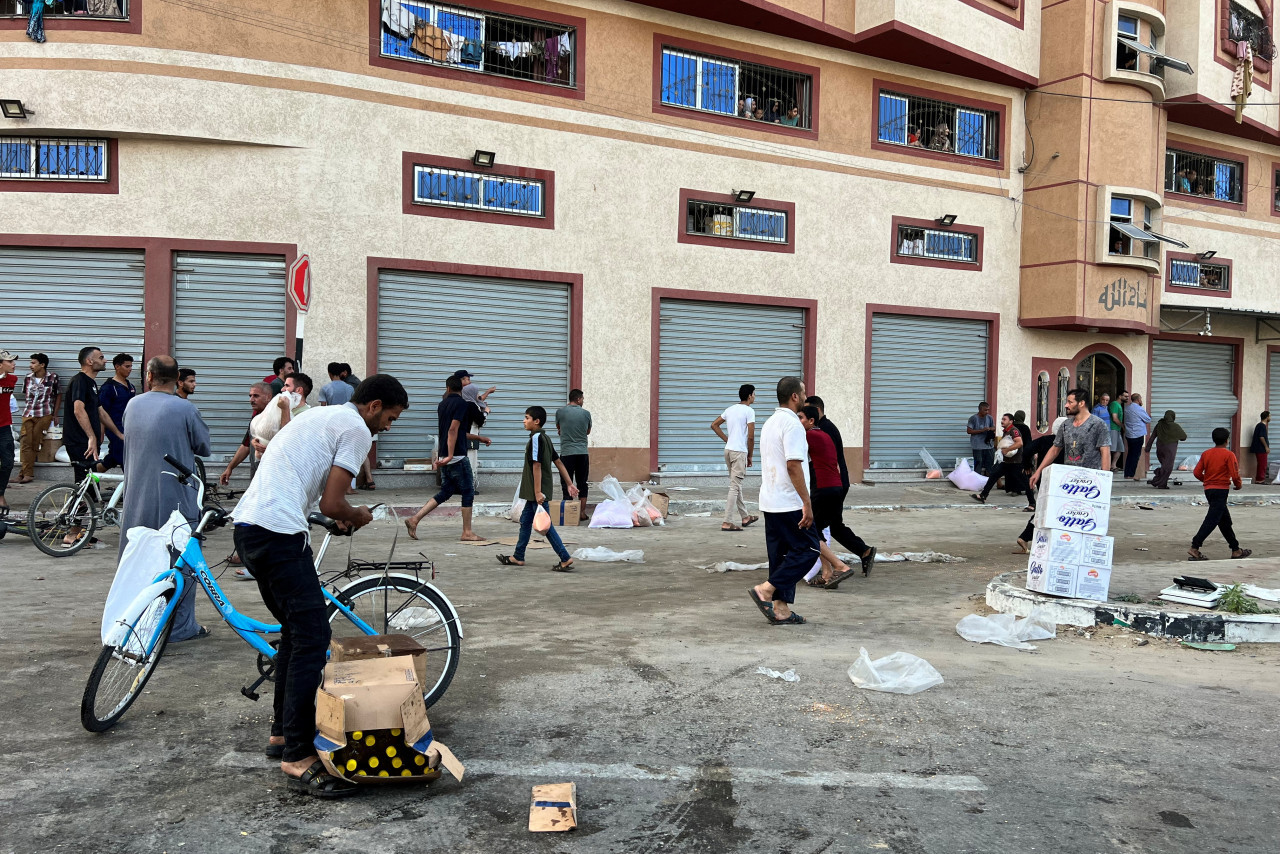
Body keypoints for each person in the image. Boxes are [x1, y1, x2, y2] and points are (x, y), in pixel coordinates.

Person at [234, 374, 407, 799]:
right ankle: (297, 755)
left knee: (296, 634)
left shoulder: (324, 417)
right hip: (277, 534)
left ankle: (282, 734)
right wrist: (359, 514)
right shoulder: (354, 429)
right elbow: (333, 502)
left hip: (251, 529)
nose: (389, 426)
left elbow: (312, 493)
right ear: (373, 406)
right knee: (313, 636)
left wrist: (335, 514)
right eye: (390, 417)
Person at [117, 355, 212, 642]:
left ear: (148, 376)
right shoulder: (185, 408)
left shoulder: (133, 404)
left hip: (137, 494)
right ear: (177, 379)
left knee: (136, 557)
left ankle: (134, 621)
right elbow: (203, 447)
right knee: (180, 558)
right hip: (176, 496)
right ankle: (180, 628)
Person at [747, 376, 820, 626]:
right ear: (795, 397)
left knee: (780, 557)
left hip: (770, 500)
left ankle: (781, 609)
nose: (807, 396)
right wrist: (807, 502)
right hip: (789, 502)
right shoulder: (793, 425)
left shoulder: (770, 423)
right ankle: (766, 591)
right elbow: (793, 466)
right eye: (804, 391)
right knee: (809, 549)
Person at [1018, 389, 1111, 552]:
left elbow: (1105, 451)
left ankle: (1084, 550)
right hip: (1069, 481)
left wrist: (1105, 479)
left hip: (1090, 483)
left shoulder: (1098, 425)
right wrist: (1038, 470)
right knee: (1064, 515)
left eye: (1070, 402)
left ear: (1081, 404)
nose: (1066, 405)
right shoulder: (1066, 425)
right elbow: (1055, 449)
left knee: (1086, 517)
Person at [404, 375, 490, 541]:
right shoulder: (461, 404)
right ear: (461, 389)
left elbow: (456, 432)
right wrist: (451, 455)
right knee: (468, 492)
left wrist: (479, 438)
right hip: (456, 456)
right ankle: (467, 532)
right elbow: (452, 430)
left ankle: (414, 519)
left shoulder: (442, 405)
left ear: (448, 388)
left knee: (446, 491)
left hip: (445, 453)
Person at [497, 406, 580, 571]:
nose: (524, 421)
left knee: (545, 526)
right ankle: (518, 556)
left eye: (527, 418)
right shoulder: (546, 438)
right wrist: (570, 483)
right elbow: (558, 462)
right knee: (526, 522)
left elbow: (537, 465)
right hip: (533, 493)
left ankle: (565, 558)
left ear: (537, 421)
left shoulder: (536, 439)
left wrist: (537, 492)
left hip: (537, 492)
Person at [799, 404, 875, 583]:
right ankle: (827, 573)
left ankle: (839, 566)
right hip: (836, 487)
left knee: (809, 529)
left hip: (824, 489)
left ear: (811, 421)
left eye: (800, 418)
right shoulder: (825, 434)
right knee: (824, 528)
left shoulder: (808, 435)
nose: (797, 422)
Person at [1188, 428, 1251, 561]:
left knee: (1224, 521)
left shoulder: (1206, 454)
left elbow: (1196, 472)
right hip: (1221, 490)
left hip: (1209, 490)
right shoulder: (1229, 455)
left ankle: (1236, 549)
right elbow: (1234, 473)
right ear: (1227, 440)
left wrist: (1207, 480)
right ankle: (1195, 547)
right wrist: (1238, 485)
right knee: (1212, 520)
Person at [710, 384, 758, 532]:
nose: (755, 397)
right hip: (739, 452)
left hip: (729, 451)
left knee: (736, 484)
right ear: (749, 396)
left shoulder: (730, 409)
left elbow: (714, 425)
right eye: (754, 394)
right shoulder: (749, 411)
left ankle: (745, 517)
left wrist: (727, 440)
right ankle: (727, 521)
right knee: (734, 486)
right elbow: (751, 437)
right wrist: (750, 455)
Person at [18, 353, 60, 485]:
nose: (31, 366)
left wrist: (55, 414)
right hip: (28, 413)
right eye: (31, 363)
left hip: (45, 414)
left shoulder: (52, 377)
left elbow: (58, 395)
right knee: (25, 442)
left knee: (35, 442)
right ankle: (25, 474)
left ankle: (25, 474)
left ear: (42, 365)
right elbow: (26, 395)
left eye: (33, 363)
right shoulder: (28, 378)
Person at [219, 382, 273, 486]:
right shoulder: (256, 417)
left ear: (268, 397)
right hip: (257, 475)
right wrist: (230, 468)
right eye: (250, 396)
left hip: (271, 477)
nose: (251, 400)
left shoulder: (276, 418)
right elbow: (246, 446)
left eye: (256, 396)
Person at [555, 389, 592, 519]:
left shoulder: (560, 412)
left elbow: (559, 428)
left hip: (566, 453)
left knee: (566, 482)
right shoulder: (586, 414)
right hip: (582, 452)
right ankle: (581, 513)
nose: (583, 401)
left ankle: (568, 513)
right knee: (582, 482)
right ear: (578, 399)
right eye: (582, 399)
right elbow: (588, 431)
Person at [96, 353, 135, 473]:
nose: (130, 369)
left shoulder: (130, 386)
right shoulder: (109, 388)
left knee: (114, 457)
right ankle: (130, 487)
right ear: (117, 367)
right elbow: (101, 412)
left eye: (131, 366)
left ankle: (91, 473)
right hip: (115, 428)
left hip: (129, 427)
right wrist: (101, 433)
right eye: (127, 366)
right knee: (125, 458)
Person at [972, 413, 1024, 504]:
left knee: (1023, 481)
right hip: (1006, 461)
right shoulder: (1006, 431)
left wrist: (1007, 450)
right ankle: (983, 495)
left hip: (1015, 462)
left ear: (1011, 421)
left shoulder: (1013, 430)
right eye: (1002, 419)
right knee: (994, 475)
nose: (1002, 421)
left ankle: (1032, 501)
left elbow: (1019, 443)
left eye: (1004, 419)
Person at [454, 370, 495, 484]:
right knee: (470, 458)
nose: (469, 381)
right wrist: (486, 412)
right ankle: (468, 484)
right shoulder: (469, 404)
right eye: (467, 379)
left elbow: (478, 399)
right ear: (461, 380)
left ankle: (461, 483)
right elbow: (480, 420)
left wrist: (487, 393)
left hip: (459, 434)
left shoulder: (458, 399)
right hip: (470, 433)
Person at [1146, 410, 1186, 490]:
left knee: (1164, 466)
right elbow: (1183, 437)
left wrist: (1148, 447)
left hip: (1160, 448)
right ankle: (1159, 482)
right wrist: (1175, 436)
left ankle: (1160, 481)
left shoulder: (1159, 425)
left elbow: (1153, 436)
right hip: (1170, 449)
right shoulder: (1175, 426)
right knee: (1168, 467)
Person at [0, 351, 16, 516]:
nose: (13, 364)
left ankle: (0, 494)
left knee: (8, 462)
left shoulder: (12, 379)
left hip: (4, 426)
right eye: (9, 361)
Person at [1123, 392, 1152, 480]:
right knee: (1135, 455)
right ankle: (1131, 475)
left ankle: (1127, 474)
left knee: (1130, 454)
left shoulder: (1127, 408)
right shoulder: (1139, 409)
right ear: (1138, 400)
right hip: (1137, 434)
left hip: (1129, 434)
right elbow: (1148, 419)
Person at [966, 402, 996, 476]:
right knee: (978, 464)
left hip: (988, 445)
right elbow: (969, 431)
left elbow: (994, 427)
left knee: (990, 464)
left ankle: (989, 482)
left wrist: (990, 428)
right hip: (977, 446)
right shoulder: (973, 418)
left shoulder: (989, 418)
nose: (987, 412)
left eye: (988, 410)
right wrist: (982, 430)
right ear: (980, 409)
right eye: (985, 410)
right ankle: (977, 481)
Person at [1250, 411, 1270, 486]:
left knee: (1261, 464)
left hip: (1260, 448)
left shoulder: (1260, 425)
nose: (1270, 418)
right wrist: (1266, 447)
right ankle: (1260, 480)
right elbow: (1261, 437)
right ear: (1267, 417)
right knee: (1262, 464)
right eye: (1269, 416)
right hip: (1261, 449)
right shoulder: (1261, 426)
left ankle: (1260, 479)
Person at [1109, 391, 1127, 471]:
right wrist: (1123, 426)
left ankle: (1113, 465)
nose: (1127, 398)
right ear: (1120, 396)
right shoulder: (1115, 404)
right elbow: (1115, 418)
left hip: (1117, 429)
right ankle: (1108, 466)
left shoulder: (1119, 405)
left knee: (1120, 448)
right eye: (1125, 396)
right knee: (1111, 449)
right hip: (1113, 428)